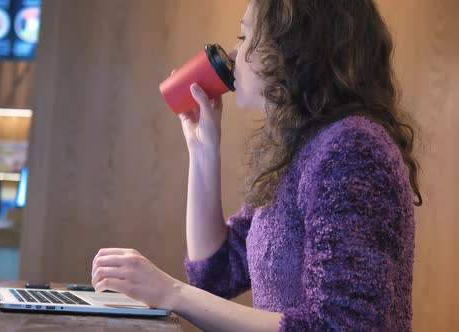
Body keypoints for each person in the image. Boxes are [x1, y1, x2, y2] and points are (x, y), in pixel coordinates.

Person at [91, 1, 421, 331]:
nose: (234, 54)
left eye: (245, 35)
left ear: (296, 46)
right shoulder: (302, 151)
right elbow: (215, 272)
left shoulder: (351, 147)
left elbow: (340, 325)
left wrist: (171, 292)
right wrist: (203, 151)